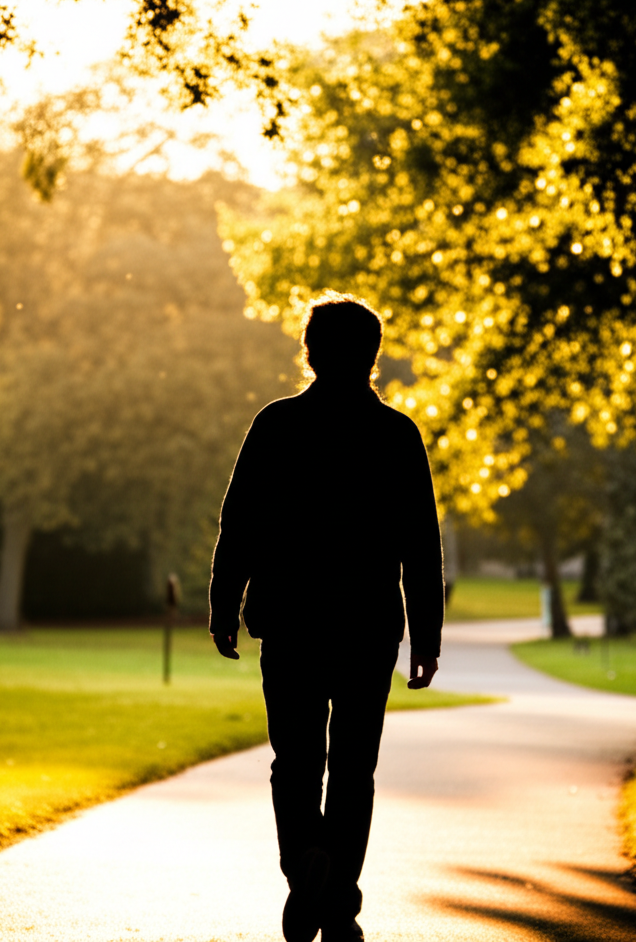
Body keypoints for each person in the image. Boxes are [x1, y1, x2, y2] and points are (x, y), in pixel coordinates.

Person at [209, 295, 444, 942]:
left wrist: (223, 605)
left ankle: (304, 868)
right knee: (353, 769)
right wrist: (427, 635)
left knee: (295, 761)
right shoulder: (396, 435)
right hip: (368, 626)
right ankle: (337, 890)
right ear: (372, 356)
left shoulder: (277, 425)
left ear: (309, 350)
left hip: (291, 623)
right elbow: (421, 544)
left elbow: (241, 523)